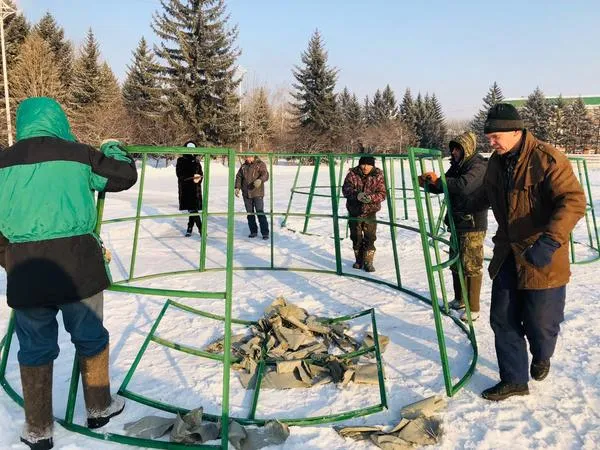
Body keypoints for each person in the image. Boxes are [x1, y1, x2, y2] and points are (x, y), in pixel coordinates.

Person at [0, 97, 138, 449]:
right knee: (90, 334)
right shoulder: (79, 154)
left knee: (33, 346)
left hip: (26, 268)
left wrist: (9, 256)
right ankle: (99, 407)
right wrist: (113, 148)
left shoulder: (2, 162)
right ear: (58, 120)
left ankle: (38, 427)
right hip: (78, 266)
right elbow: (122, 175)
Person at [461, 103, 586, 401]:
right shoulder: (496, 162)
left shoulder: (546, 158)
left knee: (540, 323)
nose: (491, 143)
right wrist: (443, 188)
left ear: (515, 132)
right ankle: (514, 379)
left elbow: (573, 201)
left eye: (495, 137)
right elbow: (482, 196)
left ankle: (542, 356)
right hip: (507, 252)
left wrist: (549, 241)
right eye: (488, 137)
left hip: (543, 254)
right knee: (502, 318)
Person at [418, 131, 488, 322]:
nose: (455, 152)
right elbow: (444, 186)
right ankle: (460, 299)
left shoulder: (478, 166)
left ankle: (473, 307)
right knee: (456, 263)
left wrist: (438, 179)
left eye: (458, 149)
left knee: (471, 265)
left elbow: (464, 185)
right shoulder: (457, 166)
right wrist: (428, 183)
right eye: (454, 149)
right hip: (456, 222)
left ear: (468, 148)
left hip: (472, 222)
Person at [342, 156, 387, 272]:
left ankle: (368, 262)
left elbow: (382, 193)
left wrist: (370, 198)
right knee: (355, 237)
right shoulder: (352, 175)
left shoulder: (378, 175)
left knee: (370, 237)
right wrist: (357, 195)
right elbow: (346, 190)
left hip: (370, 212)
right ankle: (359, 260)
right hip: (354, 211)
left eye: (368, 165)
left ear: (373, 165)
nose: (365, 167)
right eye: (363, 164)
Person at [235, 155, 270, 239]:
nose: (248, 159)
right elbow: (239, 177)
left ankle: (265, 233)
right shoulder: (243, 166)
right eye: (247, 157)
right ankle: (253, 231)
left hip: (257, 193)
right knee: (250, 214)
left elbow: (265, 174)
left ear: (253, 157)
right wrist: (237, 187)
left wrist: (260, 180)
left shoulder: (260, 164)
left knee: (260, 212)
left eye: (250, 157)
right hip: (246, 193)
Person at [176, 141, 203, 237]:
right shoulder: (181, 160)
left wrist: (199, 178)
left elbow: (201, 173)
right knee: (193, 210)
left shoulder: (196, 161)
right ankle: (201, 228)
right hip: (186, 189)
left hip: (195, 189)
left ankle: (190, 228)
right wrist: (192, 176)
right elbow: (179, 174)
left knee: (193, 210)